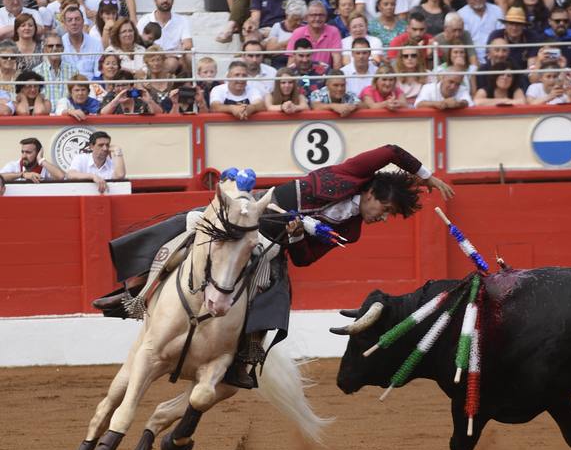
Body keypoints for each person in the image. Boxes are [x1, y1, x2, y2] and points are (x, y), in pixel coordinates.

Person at [93, 144, 453, 387]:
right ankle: (134, 289)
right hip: (258, 212)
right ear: (373, 194)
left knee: (275, 286)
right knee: (191, 223)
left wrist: (296, 234)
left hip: (275, 244)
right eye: (386, 211)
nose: (383, 219)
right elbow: (390, 151)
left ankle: (246, 353)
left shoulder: (351, 232)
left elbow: (303, 257)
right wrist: (424, 175)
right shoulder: (352, 174)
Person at [136, 0, 193, 71]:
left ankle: (190, 83)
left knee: (187, 56)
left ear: (173, 0)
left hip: (174, 59)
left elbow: (188, 45)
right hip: (150, 58)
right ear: (155, 0)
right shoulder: (144, 20)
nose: (165, 0)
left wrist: (178, 56)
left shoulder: (182, 20)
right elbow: (138, 45)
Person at [0, 136, 65, 182]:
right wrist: (22, 175)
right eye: (22, 152)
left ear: (37, 153)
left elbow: (61, 177)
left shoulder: (44, 167)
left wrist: (41, 160)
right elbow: (1, 177)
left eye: (28, 152)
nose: (24, 156)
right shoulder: (14, 166)